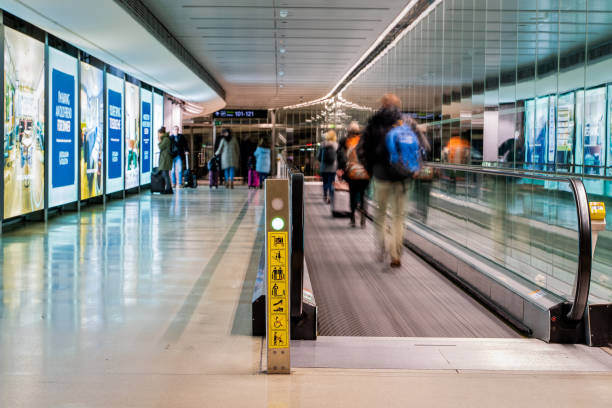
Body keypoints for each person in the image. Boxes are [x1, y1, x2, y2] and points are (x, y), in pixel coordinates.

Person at [357, 93, 407, 268]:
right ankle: (395, 253)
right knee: (399, 216)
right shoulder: (406, 122)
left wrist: (371, 169)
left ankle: (383, 244)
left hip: (380, 176)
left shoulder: (373, 123)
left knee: (380, 213)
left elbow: (360, 149)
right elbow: (425, 146)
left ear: (382, 105)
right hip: (402, 177)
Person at [337, 121, 369, 228]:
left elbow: (340, 156)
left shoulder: (345, 141)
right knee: (363, 194)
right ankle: (363, 219)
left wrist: (340, 169)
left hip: (352, 172)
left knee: (353, 194)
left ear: (349, 131)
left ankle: (352, 219)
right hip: (364, 173)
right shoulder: (364, 141)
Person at [317, 130, 338, 204]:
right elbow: (338, 157)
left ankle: (325, 195)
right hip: (333, 168)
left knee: (325, 182)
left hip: (324, 167)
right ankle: (331, 196)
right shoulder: (336, 145)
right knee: (332, 182)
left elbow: (318, 157)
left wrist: (322, 161)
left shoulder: (322, 144)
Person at [157, 127, 173, 194]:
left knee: (165, 174)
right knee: (165, 174)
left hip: (166, 159)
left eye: (158, 134)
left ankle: (169, 189)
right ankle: (168, 188)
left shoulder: (166, 139)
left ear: (161, 133)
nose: (158, 135)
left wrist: (159, 140)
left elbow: (160, 147)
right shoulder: (165, 138)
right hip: (165, 158)